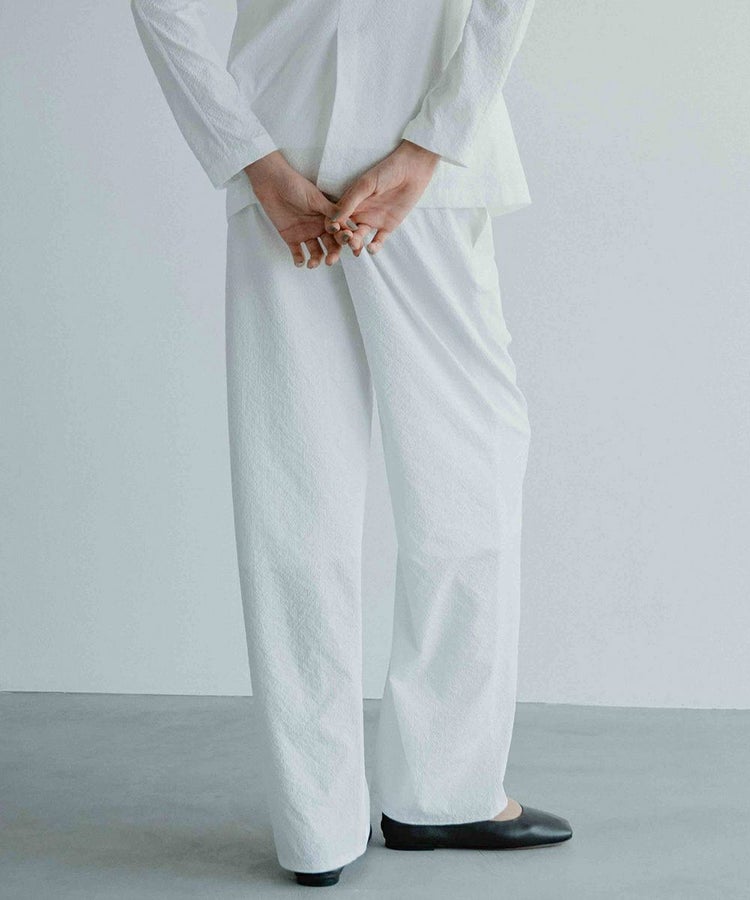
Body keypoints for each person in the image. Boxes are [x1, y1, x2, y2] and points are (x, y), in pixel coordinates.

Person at [130, 0, 573, 887]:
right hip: (417, 159)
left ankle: (316, 827)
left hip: (280, 145)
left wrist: (249, 153)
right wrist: (431, 142)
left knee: (294, 490)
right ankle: (445, 789)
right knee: (467, 471)